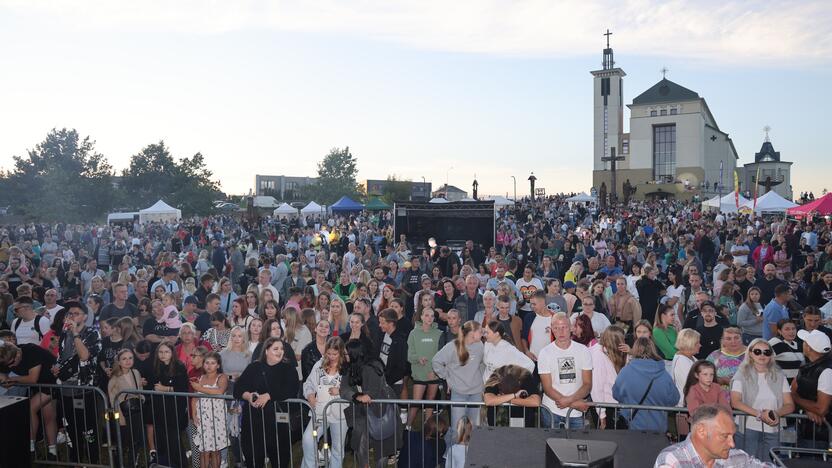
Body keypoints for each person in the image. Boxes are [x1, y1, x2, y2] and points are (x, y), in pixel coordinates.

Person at [234, 337, 300, 468]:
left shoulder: (288, 369)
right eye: (275, 348)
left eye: (282, 349)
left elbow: (292, 389)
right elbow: (238, 388)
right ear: (266, 351)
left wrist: (269, 396)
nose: (280, 351)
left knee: (280, 460)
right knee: (253, 459)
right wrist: (248, 396)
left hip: (277, 423)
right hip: (254, 422)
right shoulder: (254, 367)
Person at [339, 338, 403, 468]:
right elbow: (344, 389)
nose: (344, 356)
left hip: (382, 409)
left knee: (383, 444)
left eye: (346, 353)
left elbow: (373, 391)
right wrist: (356, 395)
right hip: (362, 411)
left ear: (355, 353)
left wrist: (363, 396)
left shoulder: (373, 366)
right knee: (360, 442)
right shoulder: (349, 367)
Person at [53, 300, 103, 465]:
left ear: (85, 316)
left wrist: (75, 333)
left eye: (76, 313)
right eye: (70, 314)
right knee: (72, 427)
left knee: (88, 428)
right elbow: (63, 358)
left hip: (85, 389)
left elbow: (84, 356)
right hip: (66, 389)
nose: (72, 316)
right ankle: (76, 458)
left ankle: (93, 458)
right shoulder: (63, 334)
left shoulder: (92, 333)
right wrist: (57, 367)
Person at [730, 338, 795, 460]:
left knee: (770, 464)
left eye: (767, 352)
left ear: (771, 355)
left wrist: (775, 414)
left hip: (774, 430)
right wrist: (760, 414)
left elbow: (789, 404)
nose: (762, 355)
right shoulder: (741, 374)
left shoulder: (780, 375)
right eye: (758, 351)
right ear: (750, 353)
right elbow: (735, 402)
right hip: (747, 430)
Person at [654, 405, 776, 467]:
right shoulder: (673, 460)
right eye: (724, 436)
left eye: (732, 436)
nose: (732, 444)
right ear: (701, 431)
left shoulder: (737, 457)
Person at [0, 340, 58, 459]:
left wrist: (12, 380)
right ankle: (53, 452)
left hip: (51, 383)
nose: (10, 367)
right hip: (40, 386)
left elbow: (32, 378)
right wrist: (3, 378)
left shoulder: (31, 351)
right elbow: (3, 374)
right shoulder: (7, 356)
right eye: (8, 365)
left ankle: (31, 448)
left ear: (18, 354)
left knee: (31, 408)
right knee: (48, 416)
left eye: (12, 363)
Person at [432, 320, 485, 445]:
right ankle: (455, 458)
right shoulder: (453, 346)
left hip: (476, 392)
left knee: (476, 428)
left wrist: (482, 381)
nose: (483, 333)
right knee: (457, 430)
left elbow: (482, 363)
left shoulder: (480, 345)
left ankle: (473, 457)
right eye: (480, 331)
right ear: (472, 333)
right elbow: (436, 362)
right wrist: (447, 378)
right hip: (458, 393)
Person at [538, 312, 592, 429]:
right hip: (551, 411)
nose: (561, 331)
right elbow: (547, 388)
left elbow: (587, 384)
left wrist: (569, 401)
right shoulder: (544, 353)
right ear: (552, 329)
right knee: (551, 446)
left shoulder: (583, 351)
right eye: (556, 328)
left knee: (576, 446)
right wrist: (573, 404)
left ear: (571, 328)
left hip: (576, 413)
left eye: (564, 327)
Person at [613, 337, 679, 431]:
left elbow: (616, 394)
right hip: (658, 427)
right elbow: (674, 399)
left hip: (632, 425)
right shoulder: (664, 374)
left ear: (635, 349)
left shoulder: (626, 372)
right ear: (653, 350)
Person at [301, 337, 347, 468]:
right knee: (309, 439)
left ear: (341, 352)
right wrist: (310, 395)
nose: (331, 357)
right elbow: (308, 383)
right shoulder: (319, 365)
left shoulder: (347, 367)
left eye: (335, 354)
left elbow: (355, 388)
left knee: (338, 447)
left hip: (339, 415)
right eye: (329, 353)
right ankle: (311, 465)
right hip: (320, 412)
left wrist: (340, 390)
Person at [146, 342, 189, 468]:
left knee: (173, 439)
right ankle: (164, 464)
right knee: (160, 437)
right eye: (160, 352)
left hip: (174, 408)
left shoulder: (179, 366)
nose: (163, 355)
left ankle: (180, 465)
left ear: (172, 353)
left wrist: (166, 389)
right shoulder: (155, 366)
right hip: (159, 406)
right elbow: (151, 384)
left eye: (166, 352)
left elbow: (183, 387)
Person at [790, 329, 832, 442]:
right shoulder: (808, 365)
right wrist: (807, 408)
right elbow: (792, 389)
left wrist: (795, 398)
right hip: (809, 429)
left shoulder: (827, 371)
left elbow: (821, 409)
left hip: (821, 434)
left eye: (804, 342)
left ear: (808, 347)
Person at [107, 348, 145, 467]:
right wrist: (120, 417)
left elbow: (140, 389)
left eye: (130, 358)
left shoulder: (136, 372)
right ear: (118, 362)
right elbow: (113, 399)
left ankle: (132, 464)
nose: (128, 361)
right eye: (124, 359)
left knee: (135, 441)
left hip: (136, 412)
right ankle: (119, 464)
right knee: (122, 443)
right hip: (123, 413)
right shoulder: (114, 378)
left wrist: (141, 398)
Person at [191, 351, 229, 468]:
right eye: (207, 363)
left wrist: (200, 388)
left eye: (213, 363)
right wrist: (194, 414)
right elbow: (195, 398)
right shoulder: (200, 378)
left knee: (215, 450)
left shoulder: (222, 377)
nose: (209, 365)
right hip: (203, 417)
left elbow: (219, 392)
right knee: (204, 451)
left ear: (218, 365)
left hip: (217, 418)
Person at [406, 306, 442, 428]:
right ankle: (408, 426)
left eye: (432, 316)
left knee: (430, 401)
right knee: (416, 403)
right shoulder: (413, 333)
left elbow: (442, 355)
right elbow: (410, 355)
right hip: (419, 373)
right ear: (421, 317)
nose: (429, 318)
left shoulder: (439, 333)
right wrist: (418, 359)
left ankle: (428, 427)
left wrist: (436, 371)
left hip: (434, 373)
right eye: (426, 315)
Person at [589, 326, 628, 429]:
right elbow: (596, 388)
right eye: (622, 339)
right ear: (615, 341)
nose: (624, 341)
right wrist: (602, 415)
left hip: (616, 405)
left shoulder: (615, 352)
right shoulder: (598, 355)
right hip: (606, 407)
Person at [672, 328, 701, 407]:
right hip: (684, 405)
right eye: (697, 343)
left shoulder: (691, 357)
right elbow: (690, 384)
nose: (700, 345)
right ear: (689, 343)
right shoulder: (682, 361)